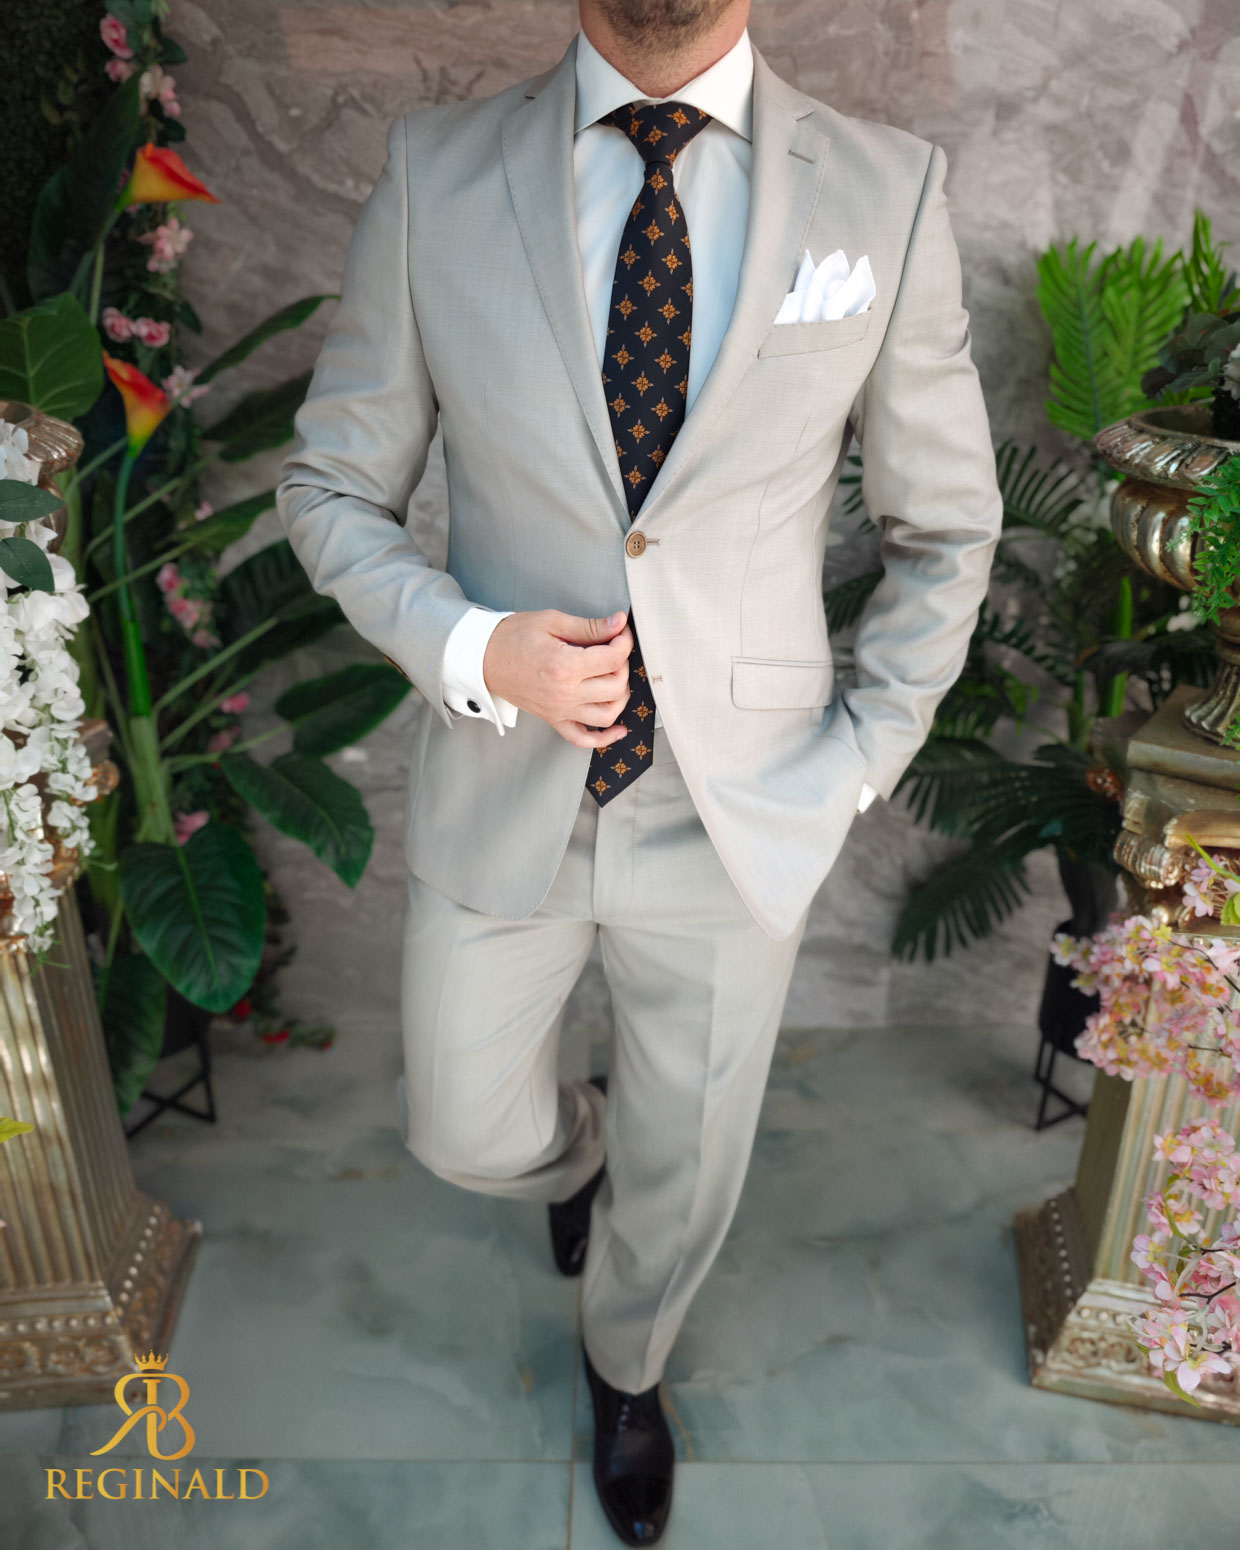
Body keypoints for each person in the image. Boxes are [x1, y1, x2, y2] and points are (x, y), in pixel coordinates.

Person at [276, 0, 1001, 1541]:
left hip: (745, 803)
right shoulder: (434, 172)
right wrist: (476, 648)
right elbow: (331, 483)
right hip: (509, 779)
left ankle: (628, 1364)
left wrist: (855, 764)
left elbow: (946, 529)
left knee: (688, 1177)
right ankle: (575, 1148)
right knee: (464, 1126)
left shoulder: (887, 190)